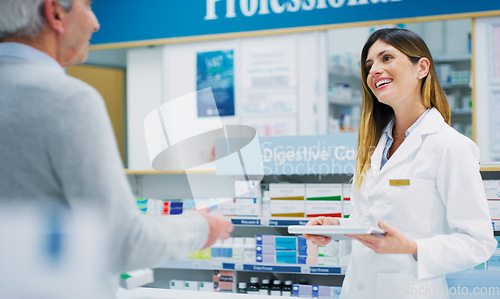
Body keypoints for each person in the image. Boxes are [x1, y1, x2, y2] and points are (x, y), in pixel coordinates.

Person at [0, 0, 233, 296]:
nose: (96, 23)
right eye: (87, 6)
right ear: (55, 13)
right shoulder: (65, 100)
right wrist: (202, 227)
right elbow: (124, 243)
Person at [305, 28, 497, 298]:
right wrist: (337, 232)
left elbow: (478, 242)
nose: (374, 70)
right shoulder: (373, 146)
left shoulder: (450, 146)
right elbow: (371, 225)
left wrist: (413, 247)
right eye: (369, 65)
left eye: (386, 58)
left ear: (422, 68)